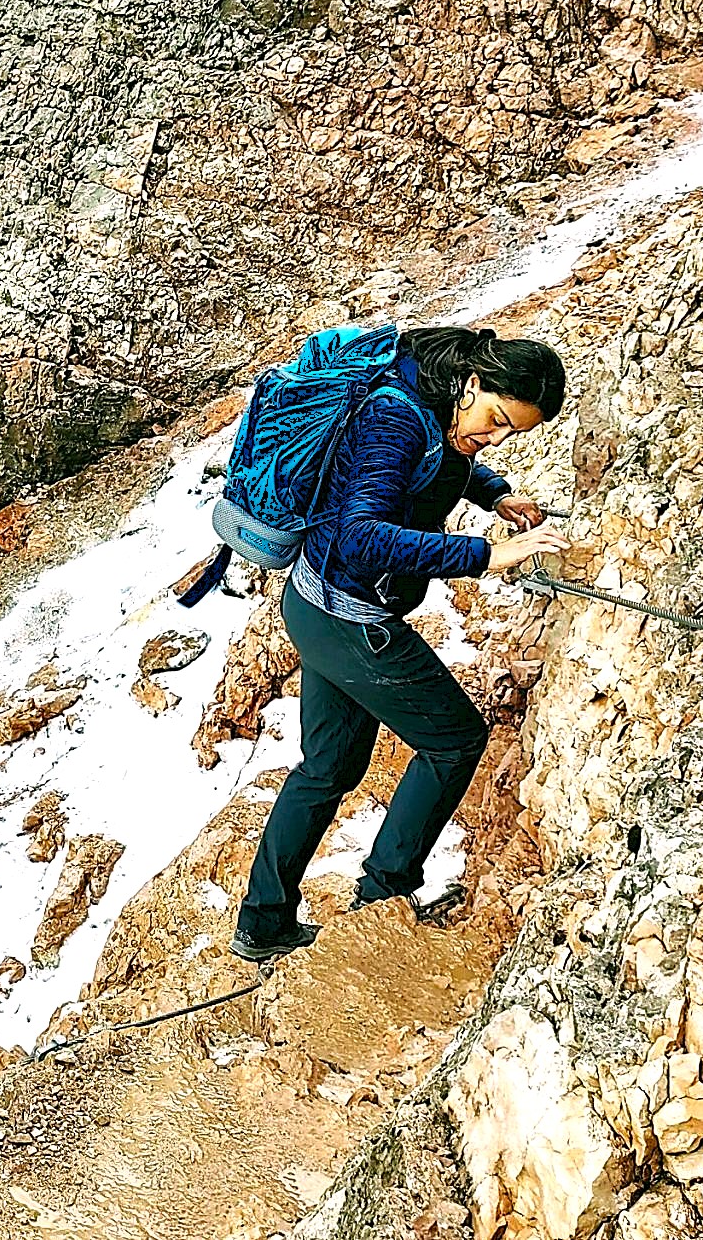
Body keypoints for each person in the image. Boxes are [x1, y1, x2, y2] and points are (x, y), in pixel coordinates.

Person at [231, 325, 573, 962]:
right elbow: (363, 534)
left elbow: (441, 462)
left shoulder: (433, 397)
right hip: (354, 618)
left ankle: (264, 922)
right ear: (472, 383)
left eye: (512, 434)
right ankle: (385, 895)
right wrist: (485, 556)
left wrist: (496, 494)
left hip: (317, 604)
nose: (495, 437)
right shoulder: (397, 417)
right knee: (455, 740)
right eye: (497, 418)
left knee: (327, 768)